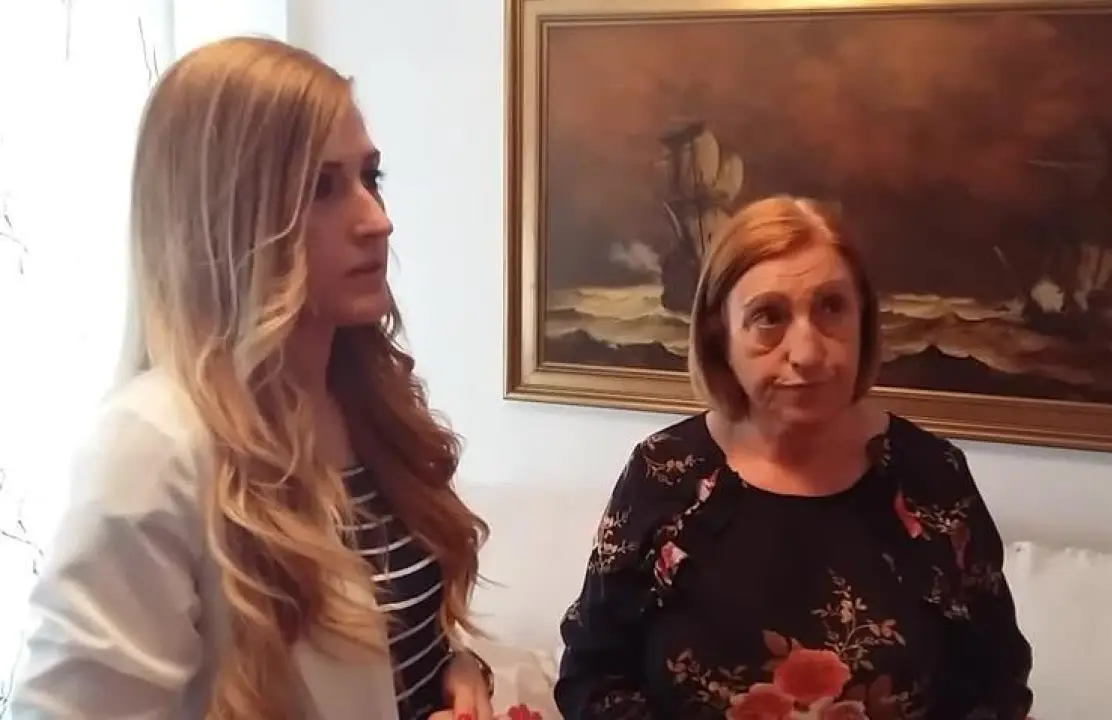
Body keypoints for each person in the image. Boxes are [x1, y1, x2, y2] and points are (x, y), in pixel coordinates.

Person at [9, 37, 494, 720]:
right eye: (322, 188)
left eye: (371, 178)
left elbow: (392, 642)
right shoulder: (152, 448)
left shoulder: (367, 401)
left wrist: (461, 671)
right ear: (231, 215)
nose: (377, 221)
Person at [555, 195, 1034, 719]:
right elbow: (592, 676)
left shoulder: (932, 477)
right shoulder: (664, 473)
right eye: (768, 317)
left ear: (864, 320)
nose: (807, 353)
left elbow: (996, 686)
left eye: (831, 307)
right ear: (720, 335)